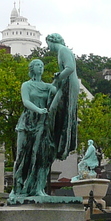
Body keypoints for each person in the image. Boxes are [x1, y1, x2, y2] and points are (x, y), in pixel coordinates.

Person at [10, 58, 58, 202]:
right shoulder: (26, 85)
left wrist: (59, 78)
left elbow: (58, 92)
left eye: (42, 65)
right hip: (27, 122)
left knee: (40, 156)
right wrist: (39, 110)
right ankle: (17, 188)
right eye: (38, 65)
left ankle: (38, 188)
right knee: (22, 155)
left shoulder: (48, 87)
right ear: (32, 68)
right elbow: (26, 101)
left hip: (42, 124)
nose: (41, 67)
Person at [45, 33, 79, 161]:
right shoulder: (62, 52)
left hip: (69, 84)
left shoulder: (63, 50)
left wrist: (58, 77)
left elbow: (69, 68)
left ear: (52, 41)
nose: (48, 47)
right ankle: (57, 142)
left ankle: (61, 145)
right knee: (55, 110)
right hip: (65, 83)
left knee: (58, 111)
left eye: (48, 43)